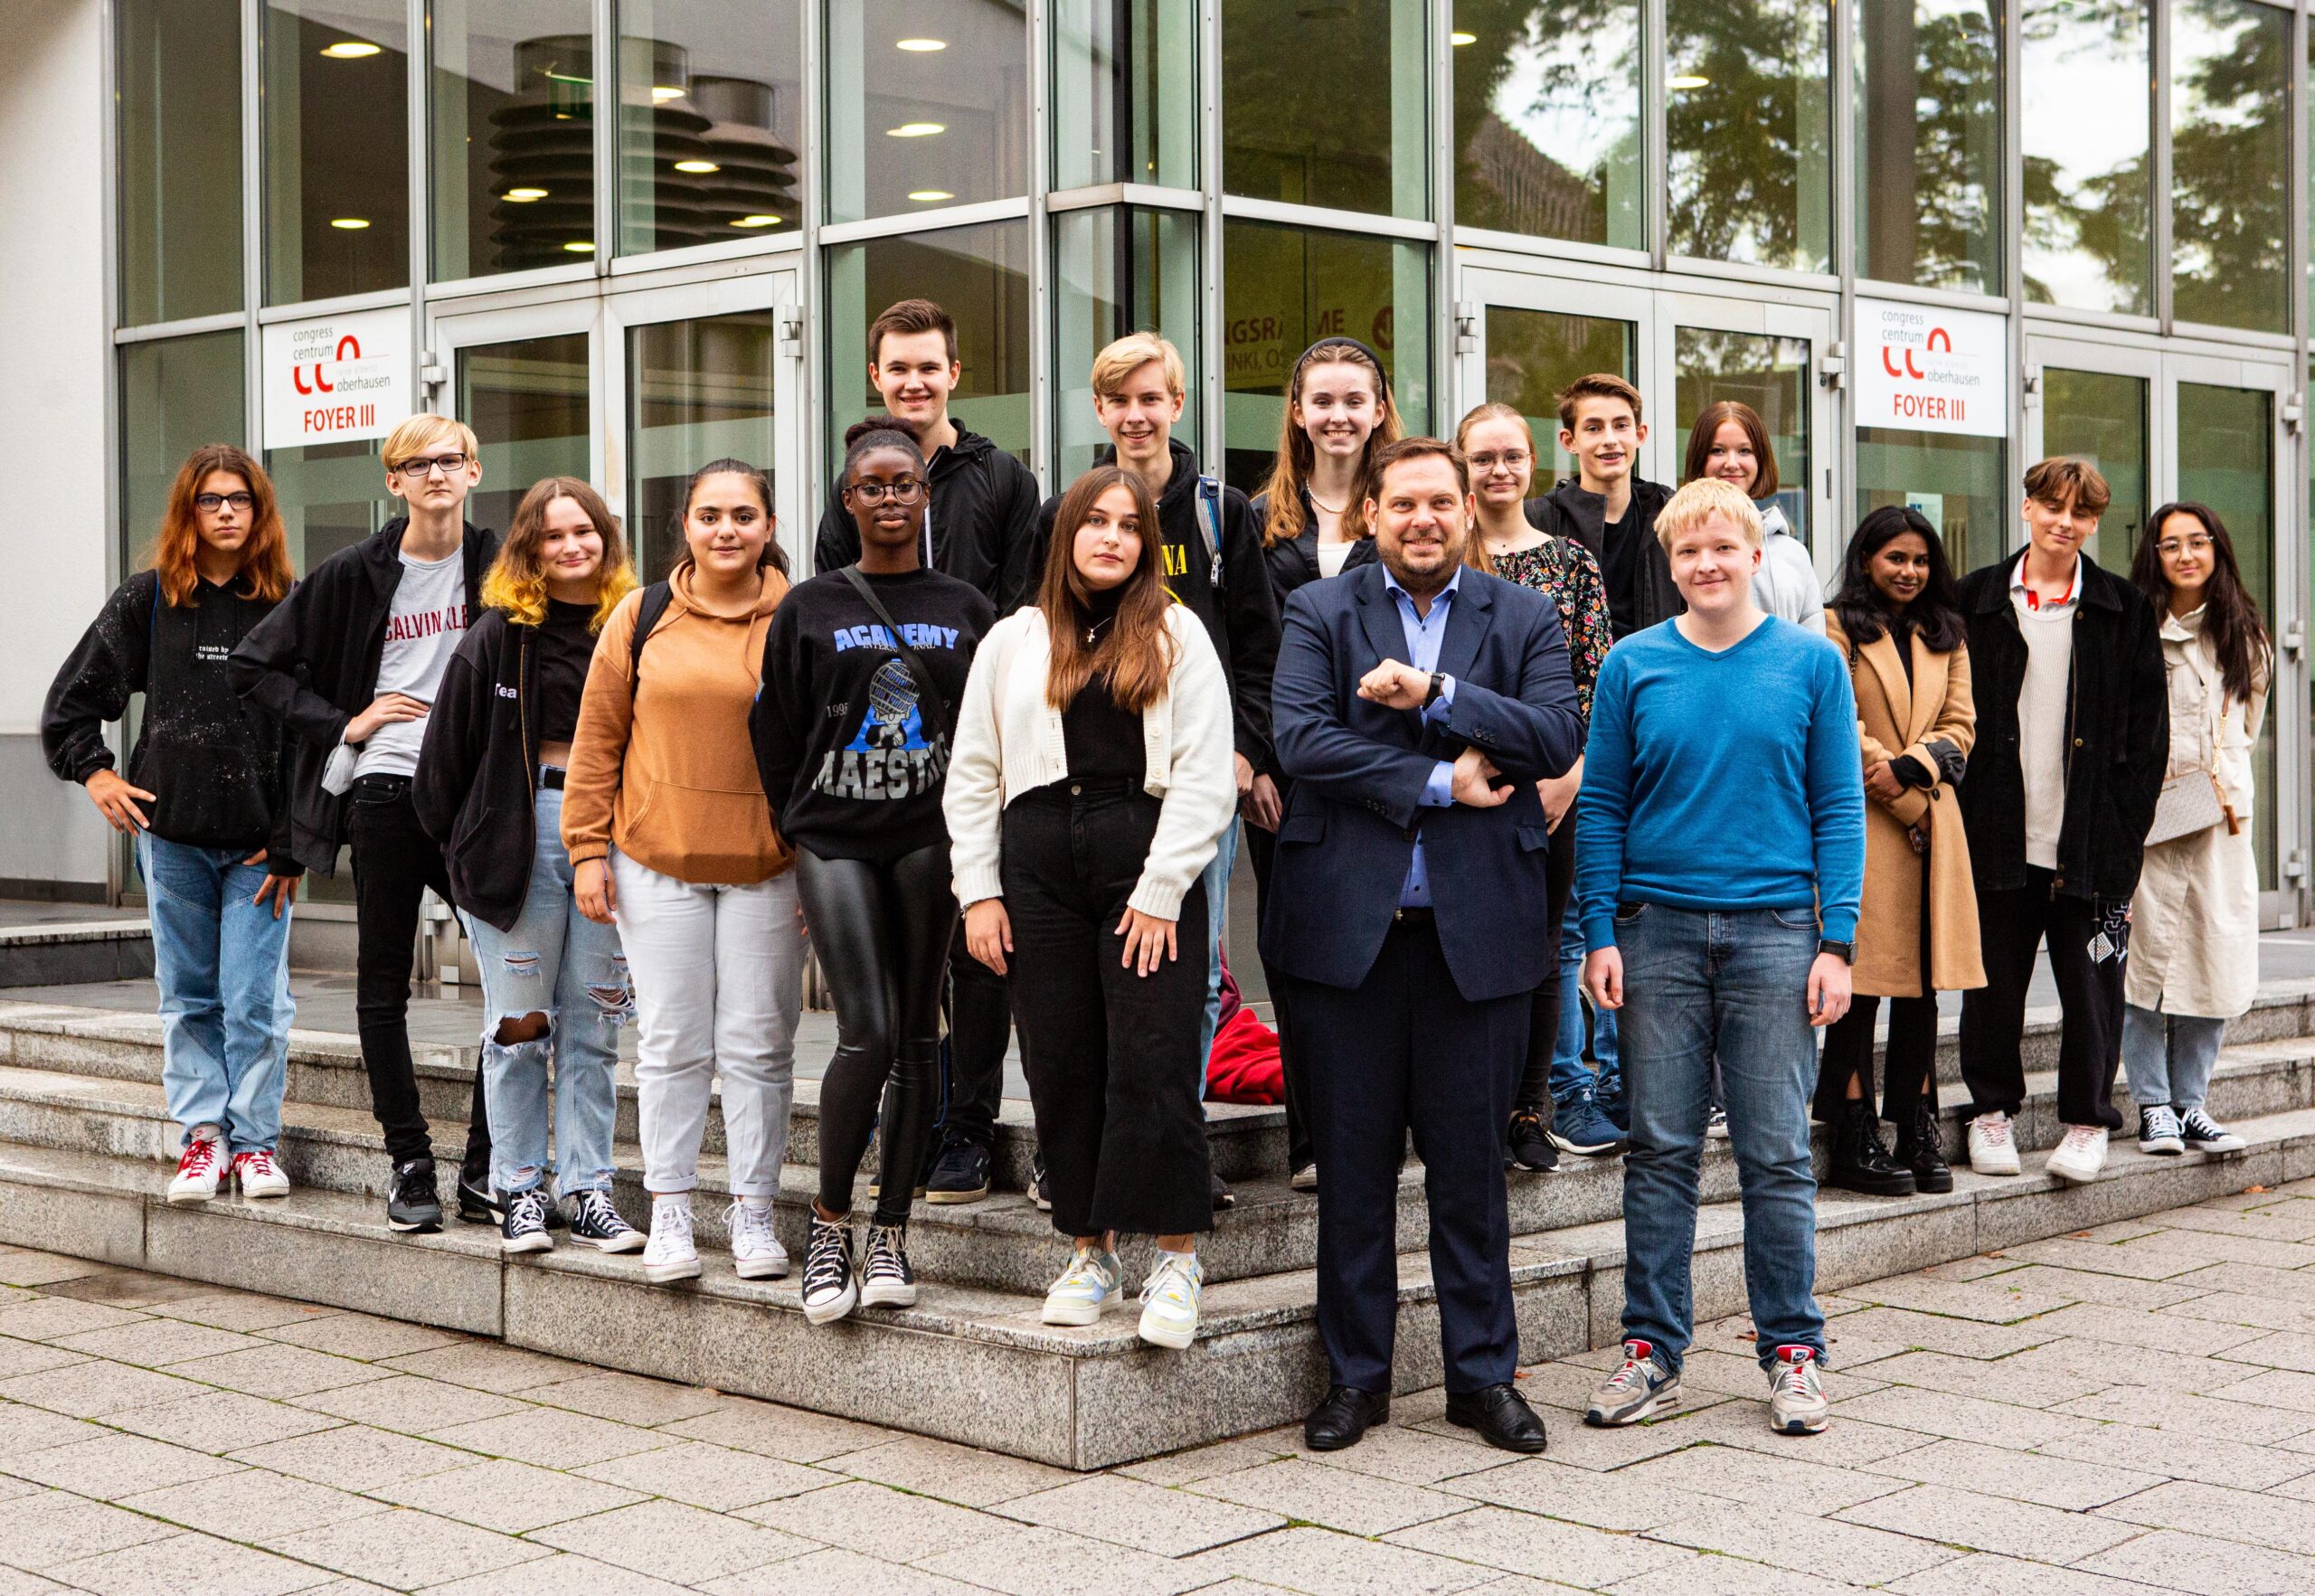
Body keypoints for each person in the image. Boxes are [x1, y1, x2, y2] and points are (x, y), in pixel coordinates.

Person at [1265, 437, 1583, 1457]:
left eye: (1440, 503)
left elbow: (1553, 737)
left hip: (1475, 938)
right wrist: (1444, 779)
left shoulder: (1524, 615)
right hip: (1347, 938)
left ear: (1467, 514)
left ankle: (1482, 1378)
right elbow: (1301, 741)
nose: (1422, 520)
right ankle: (1353, 1380)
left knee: (1469, 1174)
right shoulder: (1320, 612)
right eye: (1401, 503)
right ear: (1370, 514)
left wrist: (1436, 696)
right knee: (1352, 1174)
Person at [1577, 477, 1863, 1439]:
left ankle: (1792, 1350)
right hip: (1654, 932)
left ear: (1754, 556)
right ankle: (1651, 1349)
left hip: (1777, 934)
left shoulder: (1810, 664)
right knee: (1657, 1151)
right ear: (1671, 563)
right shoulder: (1631, 665)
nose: (1705, 565)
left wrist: (1838, 943)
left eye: (1722, 549)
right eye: (1687, 552)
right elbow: (1603, 806)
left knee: (1776, 1153)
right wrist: (1601, 931)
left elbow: (1836, 807)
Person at [945, 464, 1236, 1351]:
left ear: (1147, 544)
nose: (1111, 536)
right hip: (1037, 867)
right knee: (1061, 1061)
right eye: (1094, 521)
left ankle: (1176, 1255)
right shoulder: (1012, 639)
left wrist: (1160, 891)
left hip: (1146, 859)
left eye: (1129, 525)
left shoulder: (1177, 632)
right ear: (1064, 533)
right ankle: (1089, 1247)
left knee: (1152, 1057)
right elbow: (972, 777)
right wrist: (980, 893)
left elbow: (1204, 773)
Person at [1031, 333, 1281, 1212]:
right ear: (1098, 411)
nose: (1136, 415)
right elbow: (1041, 643)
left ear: (1178, 404)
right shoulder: (1069, 511)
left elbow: (1258, 646)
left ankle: (1181, 1144)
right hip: (1088, 790)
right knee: (1091, 978)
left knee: (1190, 971)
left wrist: (1245, 753)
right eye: (1118, 400)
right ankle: (1076, 1146)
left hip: (1193, 784)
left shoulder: (1222, 513)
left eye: (1152, 398)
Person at [752, 420, 995, 1322]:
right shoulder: (809, 604)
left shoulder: (968, 605)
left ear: (925, 495)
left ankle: (891, 1232)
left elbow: (985, 731)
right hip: (834, 838)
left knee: (922, 1033)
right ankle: (828, 1223)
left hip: (931, 837)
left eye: (904, 483)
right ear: (847, 500)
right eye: (872, 486)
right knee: (868, 1028)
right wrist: (796, 819)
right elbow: (771, 726)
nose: (889, 497)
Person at [231, 415, 496, 1234]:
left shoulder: (499, 564)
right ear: (395, 481)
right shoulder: (355, 573)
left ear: (474, 471)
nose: (436, 475)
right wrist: (348, 720)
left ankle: (490, 1167)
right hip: (385, 789)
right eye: (417, 464)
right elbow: (254, 665)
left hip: (478, 798)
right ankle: (409, 1160)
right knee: (381, 984)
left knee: (512, 981)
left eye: (450, 460)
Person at [813, 298, 1040, 1207]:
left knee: (978, 947)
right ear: (876, 376)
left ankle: (967, 1133)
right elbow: (830, 611)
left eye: (928, 367)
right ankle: (911, 1113)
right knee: (906, 952)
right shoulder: (856, 479)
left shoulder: (1003, 479)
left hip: (980, 753)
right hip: (885, 758)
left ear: (955, 373)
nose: (913, 381)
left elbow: (1027, 609)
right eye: (896, 367)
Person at [562, 458, 802, 1284]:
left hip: (767, 866)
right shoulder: (641, 614)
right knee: (670, 1044)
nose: (726, 529)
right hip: (654, 860)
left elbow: (818, 750)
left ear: (769, 526)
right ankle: (669, 1209)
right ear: (687, 526)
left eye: (743, 514)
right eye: (709, 515)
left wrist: (818, 867)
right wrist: (587, 849)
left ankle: (755, 1211)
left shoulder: (799, 619)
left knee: (759, 1045)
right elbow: (597, 741)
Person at [44, 445, 300, 1204]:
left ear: (259, 513)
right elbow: (72, 700)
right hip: (174, 839)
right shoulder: (151, 600)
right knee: (189, 995)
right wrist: (95, 772)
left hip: (259, 847)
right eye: (211, 500)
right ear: (189, 512)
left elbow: (318, 731)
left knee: (254, 998)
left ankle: (255, 1144)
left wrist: (296, 838)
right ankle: (203, 1139)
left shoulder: (288, 601)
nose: (226, 511)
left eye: (240, 500)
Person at [412, 477, 643, 1256]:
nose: (573, 546)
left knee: (596, 1024)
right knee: (520, 1029)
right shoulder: (499, 635)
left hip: (616, 835)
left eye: (585, 531)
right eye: (554, 535)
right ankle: (519, 1191)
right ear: (529, 550)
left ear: (606, 539)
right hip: (525, 834)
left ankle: (588, 1190)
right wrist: (475, 859)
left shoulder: (632, 627)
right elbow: (436, 776)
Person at [1956, 459, 2167, 1187]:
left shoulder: (2122, 608)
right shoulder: (1976, 599)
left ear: (2095, 522)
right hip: (1997, 834)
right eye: (2053, 505)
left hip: (2090, 841)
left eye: (2082, 511)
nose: (2065, 521)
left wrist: (2123, 833)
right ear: (2026, 507)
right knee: (1992, 986)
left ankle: (2086, 1122)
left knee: (2092, 987)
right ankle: (1991, 1113)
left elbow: (2148, 741)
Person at [1249, 338, 1396, 1190]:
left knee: (1378, 951)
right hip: (1287, 778)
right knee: (1296, 951)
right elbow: (1249, 652)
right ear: (1298, 413)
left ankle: (1374, 1127)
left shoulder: (1407, 505)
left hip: (1385, 772)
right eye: (1322, 400)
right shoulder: (1254, 518)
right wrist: (1258, 761)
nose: (1338, 415)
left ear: (1379, 409)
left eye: (1355, 399)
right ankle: (1311, 1138)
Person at [1455, 402, 1615, 1168]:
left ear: (1532, 460)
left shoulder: (1572, 563)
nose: (1499, 471)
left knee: (1546, 946)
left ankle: (1531, 1107)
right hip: (1460, 786)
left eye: (1512, 455)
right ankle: (1468, 1105)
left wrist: (1568, 779)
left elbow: (1597, 686)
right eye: (1482, 457)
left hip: (1553, 788)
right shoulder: (1441, 553)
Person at [1815, 508, 1982, 1196]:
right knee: (1862, 984)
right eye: (1894, 558)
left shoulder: (1949, 633)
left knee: (1924, 988)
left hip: (1933, 836)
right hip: (1864, 825)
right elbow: (1837, 723)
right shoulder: (1835, 628)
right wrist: (1899, 781)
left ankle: (1916, 1120)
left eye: (1919, 559)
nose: (1908, 571)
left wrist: (1911, 770)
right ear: (1866, 560)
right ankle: (1854, 1129)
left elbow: (1962, 726)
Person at [2122, 503, 2270, 1157]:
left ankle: (2193, 1102)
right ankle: (2153, 1104)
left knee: (2214, 961)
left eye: (2196, 542)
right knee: (2144, 968)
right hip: (2152, 823)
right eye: (2170, 544)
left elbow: (2249, 725)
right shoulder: (2136, 630)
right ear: (2153, 555)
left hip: (2219, 824)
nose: (2184, 555)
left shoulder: (2246, 636)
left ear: (2217, 549)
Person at [1528, 373, 1678, 641]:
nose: (1610, 439)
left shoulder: (1671, 512)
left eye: (1621, 426)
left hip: (1655, 675)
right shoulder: (1539, 520)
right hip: (1570, 680)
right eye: (1594, 428)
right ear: (1569, 441)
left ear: (1640, 435)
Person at [1685, 400, 1823, 635]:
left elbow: (1814, 644)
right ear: (1700, 459)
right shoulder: (1680, 547)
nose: (1731, 463)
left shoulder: (1794, 553)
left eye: (1744, 451)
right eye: (1717, 451)